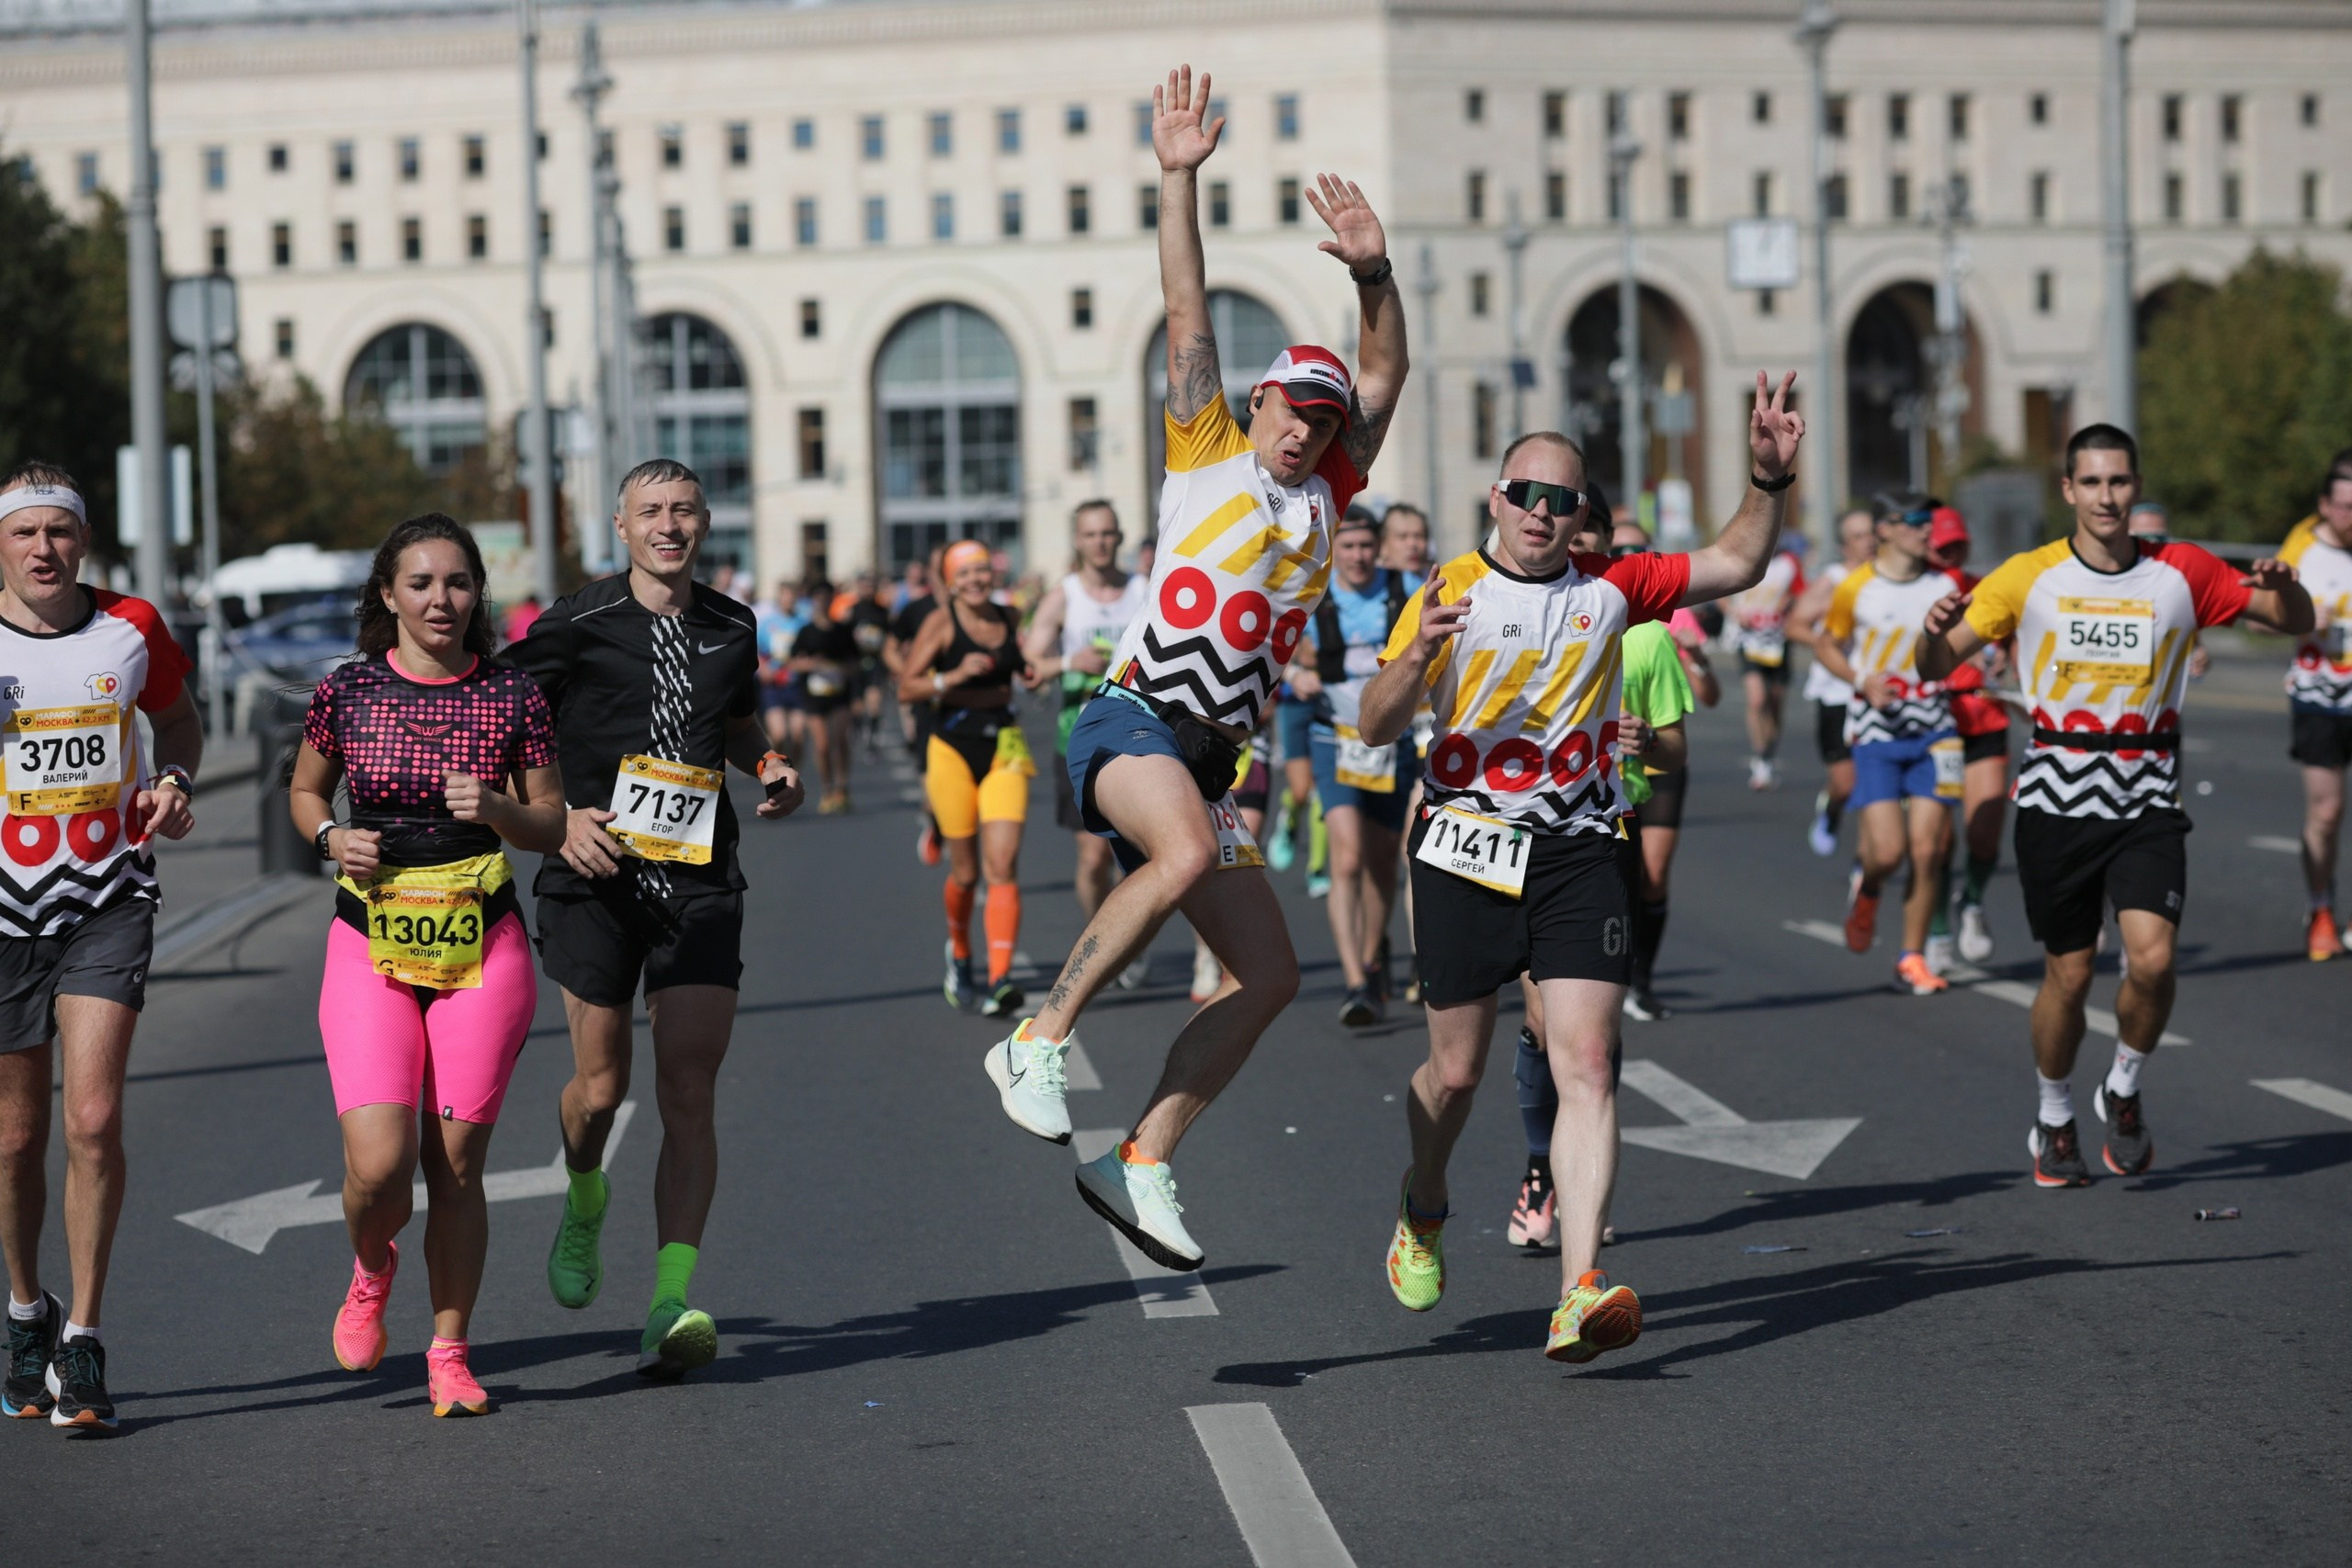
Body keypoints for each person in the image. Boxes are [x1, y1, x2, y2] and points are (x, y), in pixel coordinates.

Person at [981, 65, 1408, 1273]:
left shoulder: (1329, 494)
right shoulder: (1207, 448)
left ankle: (1146, 1157)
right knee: (1173, 857)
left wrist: (1375, 275)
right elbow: (1188, 310)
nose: (1301, 428)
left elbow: (1385, 378)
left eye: (1320, 421)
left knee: (1270, 973)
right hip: (1130, 719)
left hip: (1213, 760)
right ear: (1258, 401)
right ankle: (1040, 1033)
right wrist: (1177, 181)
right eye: (1289, 407)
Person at [1358, 374, 1805, 1363]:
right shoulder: (1445, 595)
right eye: (1526, 494)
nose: (1542, 516)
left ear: (1580, 518)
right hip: (1466, 845)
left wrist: (1767, 478)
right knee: (1458, 1070)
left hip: (1578, 845)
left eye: (1563, 502)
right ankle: (1423, 1200)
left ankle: (1578, 1287)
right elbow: (1374, 723)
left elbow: (1735, 559)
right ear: (1497, 499)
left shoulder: (1613, 588)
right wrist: (1413, 658)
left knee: (1589, 1065)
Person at [1918, 424, 2311, 1186]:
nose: (2106, 497)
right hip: (2056, 799)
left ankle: (2123, 1086)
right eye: (2092, 482)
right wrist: (1933, 635)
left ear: (2135, 488)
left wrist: (2286, 584)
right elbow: (1938, 662)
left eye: (2119, 482)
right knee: (2069, 976)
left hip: (2147, 795)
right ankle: (2055, 1110)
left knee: (2154, 962)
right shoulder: (2025, 576)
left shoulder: (2181, 571)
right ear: (2068, 490)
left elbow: (2294, 621)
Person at [513, 457, 802, 1379]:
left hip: (698, 875)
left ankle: (670, 1302)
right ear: (621, 526)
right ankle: (586, 1191)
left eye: (683, 511)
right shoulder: (575, 624)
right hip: (594, 874)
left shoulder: (732, 624)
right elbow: (507, 719)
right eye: (650, 512)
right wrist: (553, 821)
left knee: (688, 1084)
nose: (668, 526)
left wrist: (769, 764)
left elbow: (736, 718)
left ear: (705, 523)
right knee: (602, 1090)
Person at [288, 514, 566, 1418]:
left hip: (481, 942)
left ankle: (448, 1350)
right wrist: (332, 836)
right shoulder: (350, 692)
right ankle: (372, 1269)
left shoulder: (515, 695)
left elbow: (551, 823)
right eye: (420, 582)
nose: (439, 599)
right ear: (388, 595)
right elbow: (303, 791)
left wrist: (496, 808)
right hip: (369, 940)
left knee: (452, 1168)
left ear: (477, 593)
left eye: (456, 582)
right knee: (376, 1166)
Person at [0, 463, 199, 1432]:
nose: (44, 549)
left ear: (84, 541)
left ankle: (82, 1340)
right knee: (14, 1139)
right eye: (25, 533)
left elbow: (180, 724)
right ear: (2, 545)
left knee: (90, 1118)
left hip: (107, 896)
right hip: (1, 913)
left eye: (61, 533)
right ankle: (25, 1311)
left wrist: (175, 782)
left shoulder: (132, 627)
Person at [1811, 491, 1965, 996]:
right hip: (1877, 731)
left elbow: (1967, 640)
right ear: (1886, 530)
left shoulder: (1944, 583)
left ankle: (1912, 957)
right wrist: (1860, 679)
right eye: (1915, 521)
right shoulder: (1857, 587)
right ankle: (1870, 886)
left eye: (1930, 521)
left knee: (1930, 851)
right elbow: (1826, 643)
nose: (1927, 530)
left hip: (1937, 729)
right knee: (1890, 852)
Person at [902, 540, 1042, 1015]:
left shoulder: (1008, 618)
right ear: (950, 582)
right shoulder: (942, 623)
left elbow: (1018, 664)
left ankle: (1001, 976)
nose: (976, 580)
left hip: (1003, 746)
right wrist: (952, 676)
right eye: (965, 574)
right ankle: (960, 955)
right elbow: (907, 685)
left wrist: (1028, 672)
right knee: (966, 872)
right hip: (952, 751)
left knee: (1002, 864)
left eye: (983, 570)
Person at [1288, 511, 1416, 1024]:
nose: (1359, 556)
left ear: (1379, 549)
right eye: (1349, 546)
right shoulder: (1312, 592)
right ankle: (1357, 979)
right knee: (1346, 859)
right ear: (1333, 550)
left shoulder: (1406, 588)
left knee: (1385, 863)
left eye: (1367, 546)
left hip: (1394, 741)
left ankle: (1374, 949)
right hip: (1333, 738)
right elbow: (1277, 650)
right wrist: (1296, 674)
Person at [1024, 502, 1150, 935]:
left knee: (1136, 856)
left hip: (1140, 735)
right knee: (1094, 857)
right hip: (1077, 740)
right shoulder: (1065, 596)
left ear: (1119, 537)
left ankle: (1123, 942)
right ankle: (1099, 938)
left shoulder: (1144, 589)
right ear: (1078, 542)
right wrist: (1068, 661)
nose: (1100, 543)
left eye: (1107, 534)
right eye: (1091, 535)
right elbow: (1028, 668)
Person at [1926, 508, 2014, 966]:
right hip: (1936, 725)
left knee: (1984, 833)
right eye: (1942, 549)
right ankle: (1938, 928)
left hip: (1985, 717)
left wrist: (2006, 663)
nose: (1951, 556)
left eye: (1957, 546)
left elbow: (2019, 640)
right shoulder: (1913, 593)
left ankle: (1973, 902)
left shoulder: (1988, 589)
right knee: (1940, 841)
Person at [2277, 464, 2352, 959]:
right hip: (2321, 699)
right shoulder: (2302, 548)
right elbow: (2260, 616)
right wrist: (2299, 617)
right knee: (2326, 813)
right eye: (2346, 506)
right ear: (2325, 506)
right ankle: (2320, 906)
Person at [1791, 506, 1877, 855]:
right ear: (1845, 547)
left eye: (1871, 532)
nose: (1867, 541)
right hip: (1838, 693)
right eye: (1857, 536)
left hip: (1878, 691)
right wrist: (1828, 646)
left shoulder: (1890, 577)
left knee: (1876, 782)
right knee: (1845, 783)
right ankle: (1832, 809)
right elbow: (1794, 625)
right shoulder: (1833, 581)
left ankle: (1868, 858)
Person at [1725, 532, 1804, 789]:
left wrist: (1789, 601)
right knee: (1757, 699)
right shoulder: (1746, 559)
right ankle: (1760, 757)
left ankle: (1769, 750)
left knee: (1776, 699)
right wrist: (1736, 612)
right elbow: (1720, 593)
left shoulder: (1789, 563)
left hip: (1778, 640)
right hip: (1749, 640)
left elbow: (1803, 593)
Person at [886, 545, 949, 863]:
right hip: (929, 706)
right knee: (933, 793)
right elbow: (890, 648)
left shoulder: (978, 609)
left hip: (972, 708)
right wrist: (908, 675)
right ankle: (936, 824)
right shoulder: (917, 609)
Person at [790, 583, 860, 814]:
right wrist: (812, 664)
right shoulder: (806, 632)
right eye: (819, 598)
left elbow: (856, 663)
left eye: (827, 598)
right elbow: (793, 662)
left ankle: (842, 787)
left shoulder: (842, 631)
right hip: (813, 695)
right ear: (813, 601)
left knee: (840, 740)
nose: (823, 602)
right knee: (822, 745)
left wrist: (840, 669)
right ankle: (827, 789)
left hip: (839, 694)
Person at [753, 579, 809, 753]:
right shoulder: (767, 623)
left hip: (797, 684)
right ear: (779, 597)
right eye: (785, 595)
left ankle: (794, 771)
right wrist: (762, 669)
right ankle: (780, 768)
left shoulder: (803, 623)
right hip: (773, 685)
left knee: (798, 736)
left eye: (792, 596)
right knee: (778, 735)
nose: (789, 600)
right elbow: (754, 650)